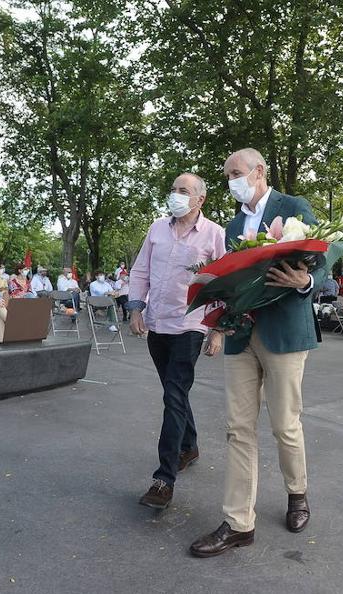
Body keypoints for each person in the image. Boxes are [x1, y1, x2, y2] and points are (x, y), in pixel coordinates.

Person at [189, 148, 325, 559]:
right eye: (228, 174)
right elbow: (233, 281)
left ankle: (297, 494)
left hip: (284, 333)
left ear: (259, 172)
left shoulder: (294, 208)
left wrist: (304, 281)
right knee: (238, 429)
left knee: (285, 424)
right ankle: (237, 523)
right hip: (240, 335)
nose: (231, 180)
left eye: (236, 173)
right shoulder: (233, 225)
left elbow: (322, 267)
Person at [129, 172, 227, 511]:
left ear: (200, 199)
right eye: (173, 189)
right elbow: (140, 270)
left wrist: (217, 329)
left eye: (183, 190)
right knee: (176, 392)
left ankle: (164, 479)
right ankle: (191, 445)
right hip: (157, 322)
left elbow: (225, 284)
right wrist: (136, 307)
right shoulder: (157, 228)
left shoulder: (215, 234)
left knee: (173, 393)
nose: (176, 195)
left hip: (191, 324)